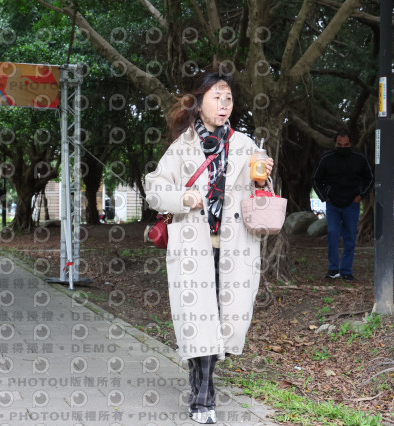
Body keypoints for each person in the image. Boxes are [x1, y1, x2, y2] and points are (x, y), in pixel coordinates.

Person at [144, 65, 273, 425]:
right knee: (199, 319)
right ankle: (203, 396)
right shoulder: (182, 146)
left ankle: (204, 379)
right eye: (217, 97)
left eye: (228, 98)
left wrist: (263, 178)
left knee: (228, 320)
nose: (224, 104)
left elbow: (262, 196)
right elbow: (155, 189)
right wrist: (185, 199)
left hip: (235, 247)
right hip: (193, 247)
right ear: (199, 103)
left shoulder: (246, 145)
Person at [312, 129, 374, 281]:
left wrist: (361, 195)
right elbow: (316, 179)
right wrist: (324, 196)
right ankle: (333, 269)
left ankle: (346, 270)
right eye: (340, 145)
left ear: (351, 144)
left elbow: (370, 178)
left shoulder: (359, 159)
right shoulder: (327, 159)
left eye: (346, 145)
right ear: (335, 144)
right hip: (332, 204)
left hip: (352, 204)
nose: (343, 147)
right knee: (332, 233)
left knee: (350, 237)